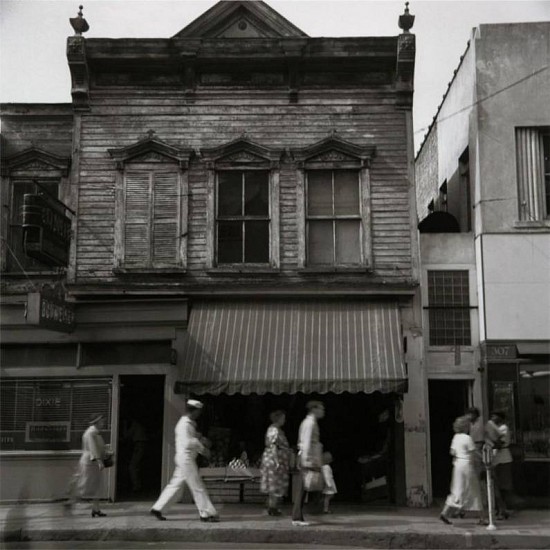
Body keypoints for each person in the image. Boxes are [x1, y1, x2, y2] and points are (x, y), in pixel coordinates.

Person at [150, 399, 219, 522]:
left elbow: (192, 439)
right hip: (186, 458)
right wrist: (203, 449)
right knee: (197, 486)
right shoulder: (184, 424)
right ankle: (206, 513)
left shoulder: (189, 424)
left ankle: (158, 508)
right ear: (194, 411)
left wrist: (199, 439)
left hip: (185, 458)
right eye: (198, 411)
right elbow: (188, 443)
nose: (199, 414)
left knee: (175, 485)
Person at [439, 415, 486, 525]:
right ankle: (482, 518)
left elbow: (452, 452)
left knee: (457, 489)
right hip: (466, 465)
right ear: (465, 427)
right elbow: (472, 454)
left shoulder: (456, 437)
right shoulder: (467, 438)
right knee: (474, 490)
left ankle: (445, 512)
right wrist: (480, 463)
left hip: (457, 465)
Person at [66, 413, 108, 517]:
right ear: (96, 422)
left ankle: (96, 509)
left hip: (92, 463)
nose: (103, 423)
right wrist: (99, 460)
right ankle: (70, 503)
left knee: (96, 486)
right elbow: (92, 447)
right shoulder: (91, 433)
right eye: (101, 421)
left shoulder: (95, 432)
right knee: (85, 486)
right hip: (90, 463)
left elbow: (97, 446)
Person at [292, 400, 325, 527]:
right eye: (321, 409)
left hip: (308, 457)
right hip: (307, 458)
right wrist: (306, 459)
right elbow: (306, 442)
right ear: (314, 409)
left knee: (304, 488)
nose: (322, 411)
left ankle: (298, 516)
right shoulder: (310, 423)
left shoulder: (310, 422)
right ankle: (296, 517)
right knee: (302, 488)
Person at [260, 410, 290, 516]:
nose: (284, 420)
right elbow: (273, 446)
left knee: (276, 484)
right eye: (283, 418)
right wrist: (276, 460)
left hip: (277, 459)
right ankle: (272, 507)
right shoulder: (274, 430)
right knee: (274, 484)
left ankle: (273, 506)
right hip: (274, 460)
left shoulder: (277, 429)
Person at [490, 411, 513, 520]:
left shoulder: (504, 428)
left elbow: (499, 443)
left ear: (500, 418)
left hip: (503, 459)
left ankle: (503, 509)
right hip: (496, 459)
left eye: (495, 416)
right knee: (496, 486)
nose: (493, 418)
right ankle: (500, 509)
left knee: (502, 486)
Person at [126, 417, 148, 492]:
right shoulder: (140, 426)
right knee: (137, 466)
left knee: (132, 467)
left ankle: (137, 486)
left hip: (139, 445)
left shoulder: (135, 425)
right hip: (140, 445)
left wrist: (124, 426)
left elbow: (127, 435)